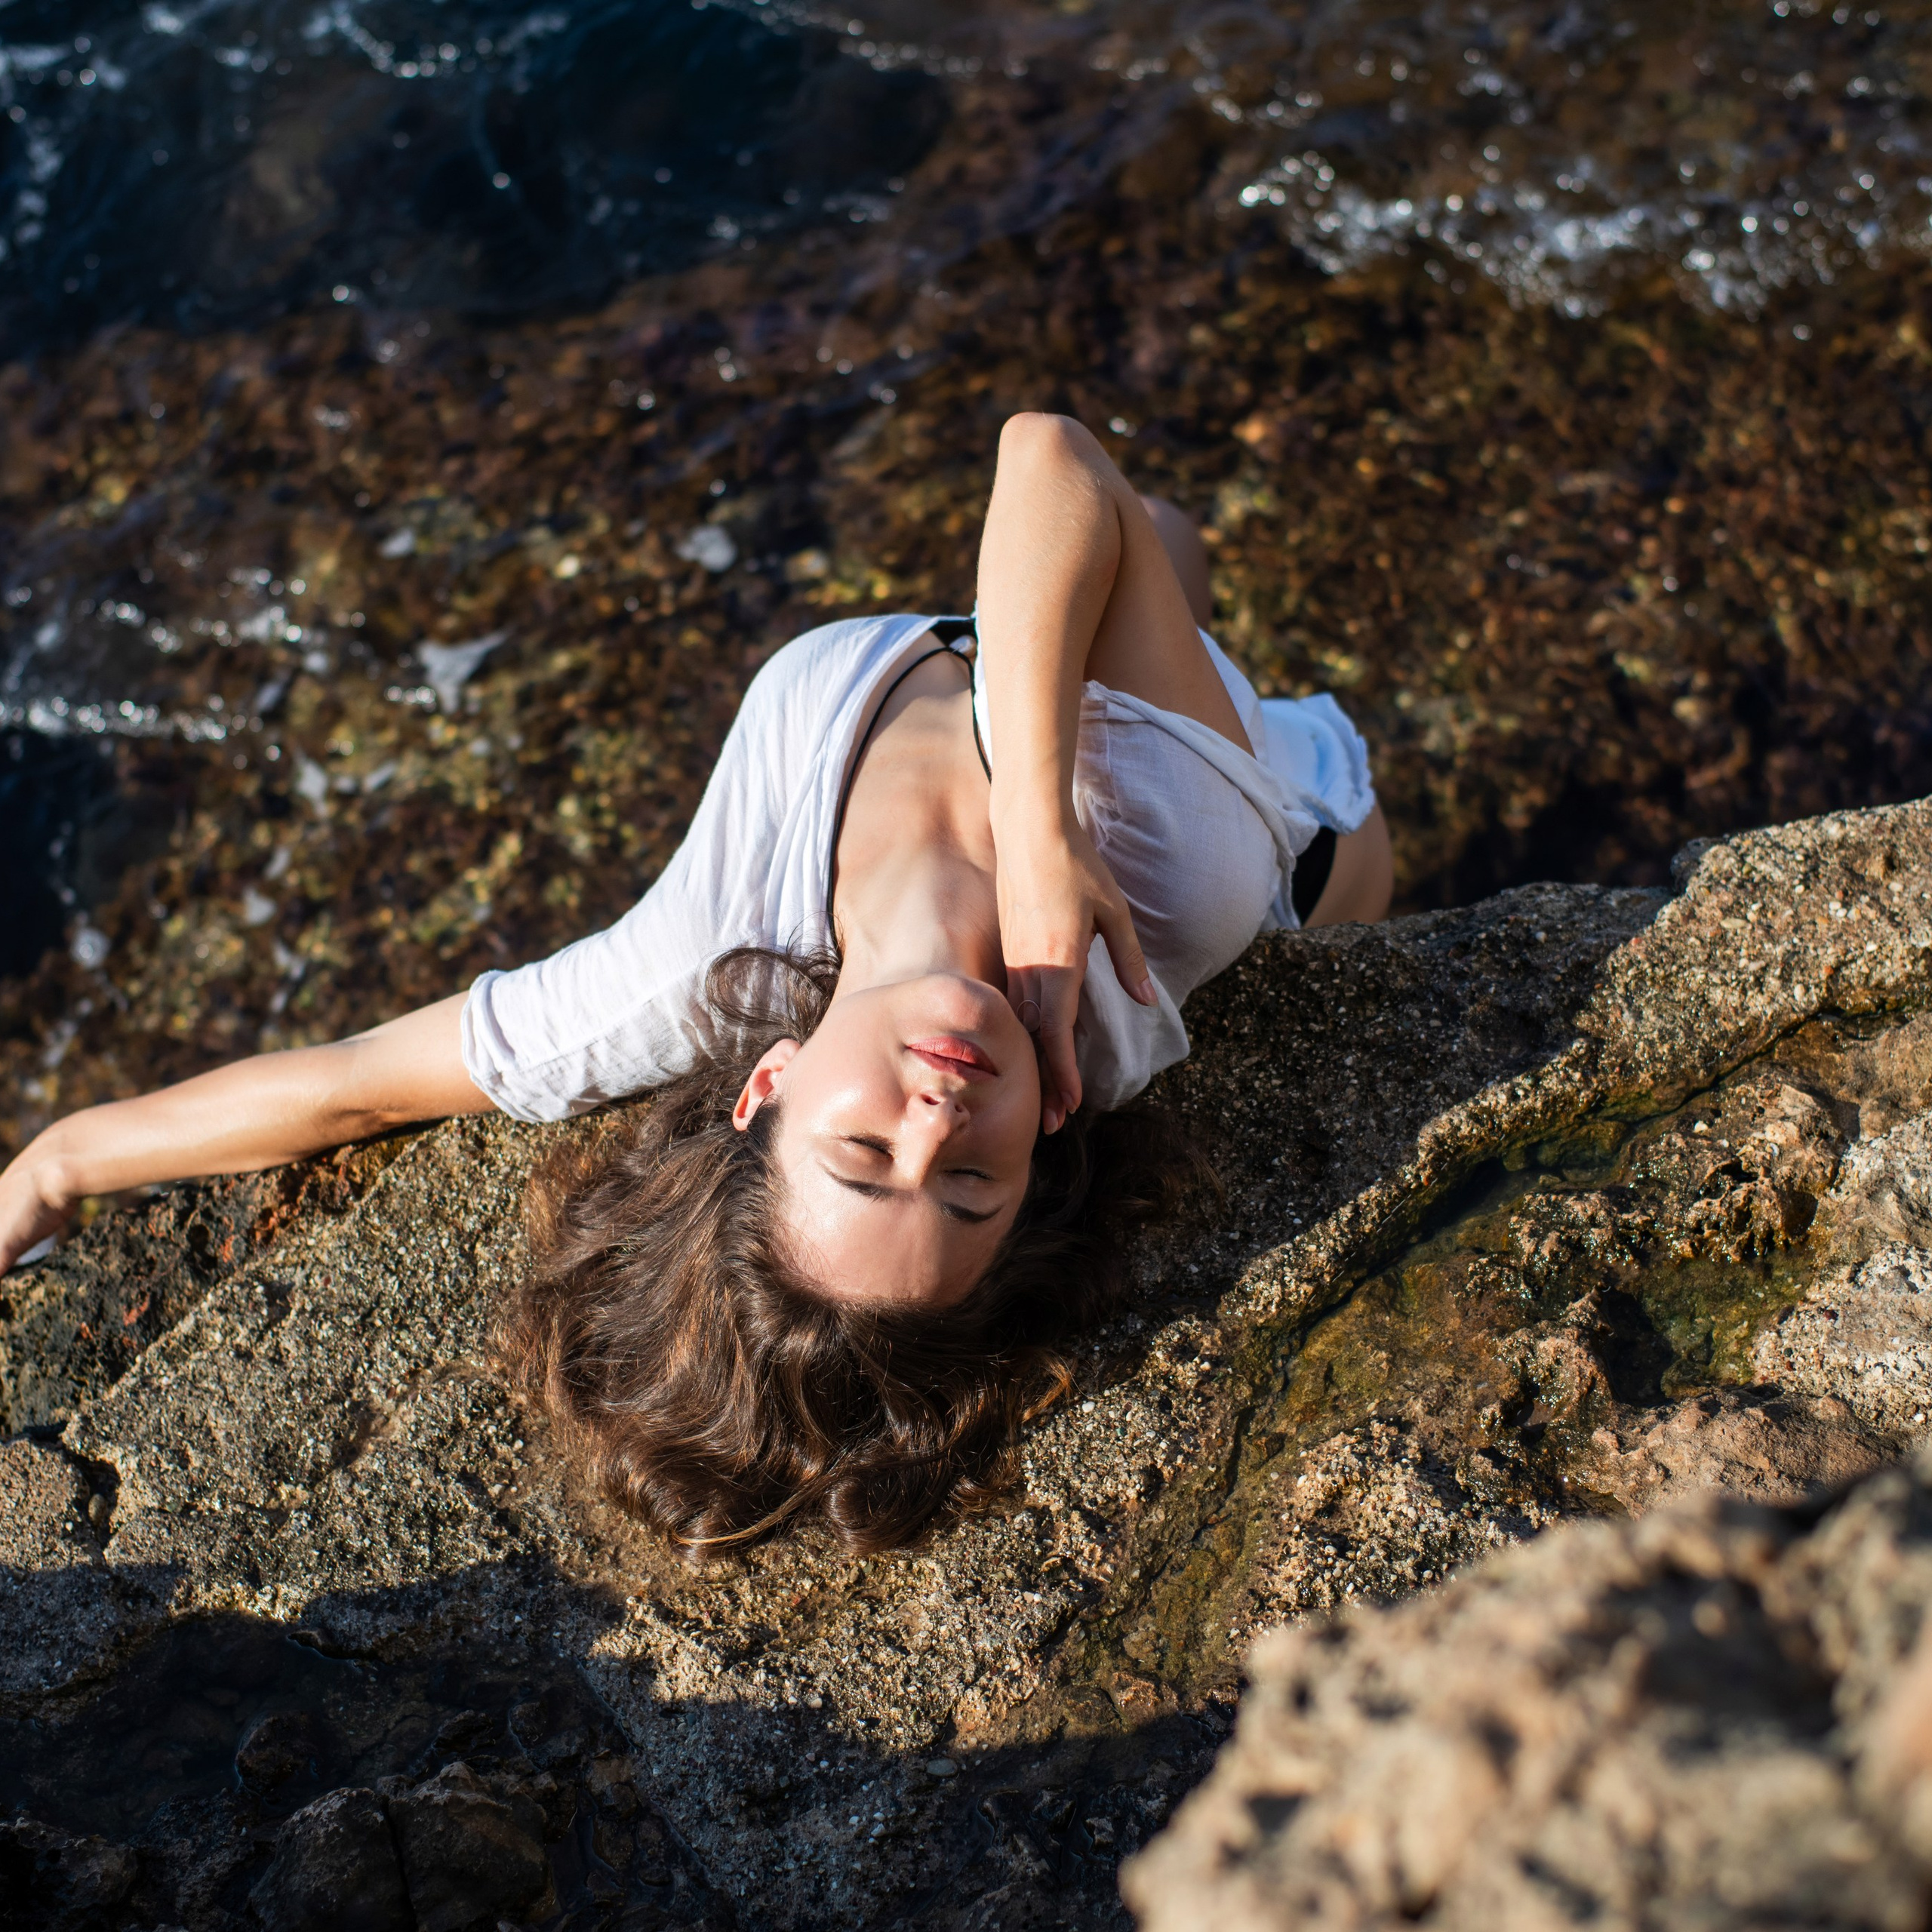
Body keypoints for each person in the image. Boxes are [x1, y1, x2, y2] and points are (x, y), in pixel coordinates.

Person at [0, 413, 1390, 1552]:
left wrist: (60, 1163)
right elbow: (1047, 458)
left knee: (1157, 548)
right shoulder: (1172, 882)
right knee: (1159, 568)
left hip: (1071, 680)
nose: (936, 1123)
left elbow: (353, 1092)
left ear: (767, 1090)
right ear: (1042, 1146)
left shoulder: (678, 974)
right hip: (1292, 830)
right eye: (972, 1186)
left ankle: (1176, 622)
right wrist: (1052, 822)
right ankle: (1223, 679)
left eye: (862, 1153)